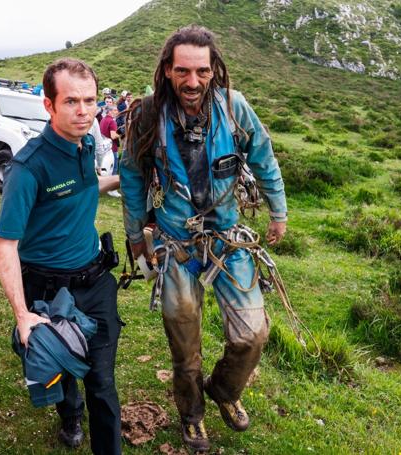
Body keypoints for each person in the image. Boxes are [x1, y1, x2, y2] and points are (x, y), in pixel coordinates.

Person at [120, 25, 287, 452]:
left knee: (252, 334)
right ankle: (192, 414)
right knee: (184, 341)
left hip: (229, 242)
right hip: (175, 244)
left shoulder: (234, 109)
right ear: (167, 70)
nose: (192, 82)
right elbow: (134, 174)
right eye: (182, 71)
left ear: (214, 70)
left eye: (201, 71)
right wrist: (136, 234)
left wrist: (278, 210)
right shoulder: (147, 114)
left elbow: (263, 154)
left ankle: (225, 391)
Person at [0, 57, 122, 455]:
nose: (83, 111)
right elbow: (5, 248)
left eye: (90, 101)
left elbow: (85, 189)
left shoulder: (87, 144)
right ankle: (69, 416)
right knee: (64, 367)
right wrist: (22, 316)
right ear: (49, 105)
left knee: (102, 382)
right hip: (46, 290)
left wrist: (125, 178)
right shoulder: (28, 168)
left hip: (96, 283)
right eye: (71, 102)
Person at [100, 104, 123, 197]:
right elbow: (113, 136)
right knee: (114, 169)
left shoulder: (103, 120)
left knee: (105, 169)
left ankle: (104, 187)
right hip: (112, 147)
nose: (117, 112)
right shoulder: (112, 122)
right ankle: (112, 189)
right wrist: (121, 133)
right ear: (110, 111)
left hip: (104, 146)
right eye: (115, 110)